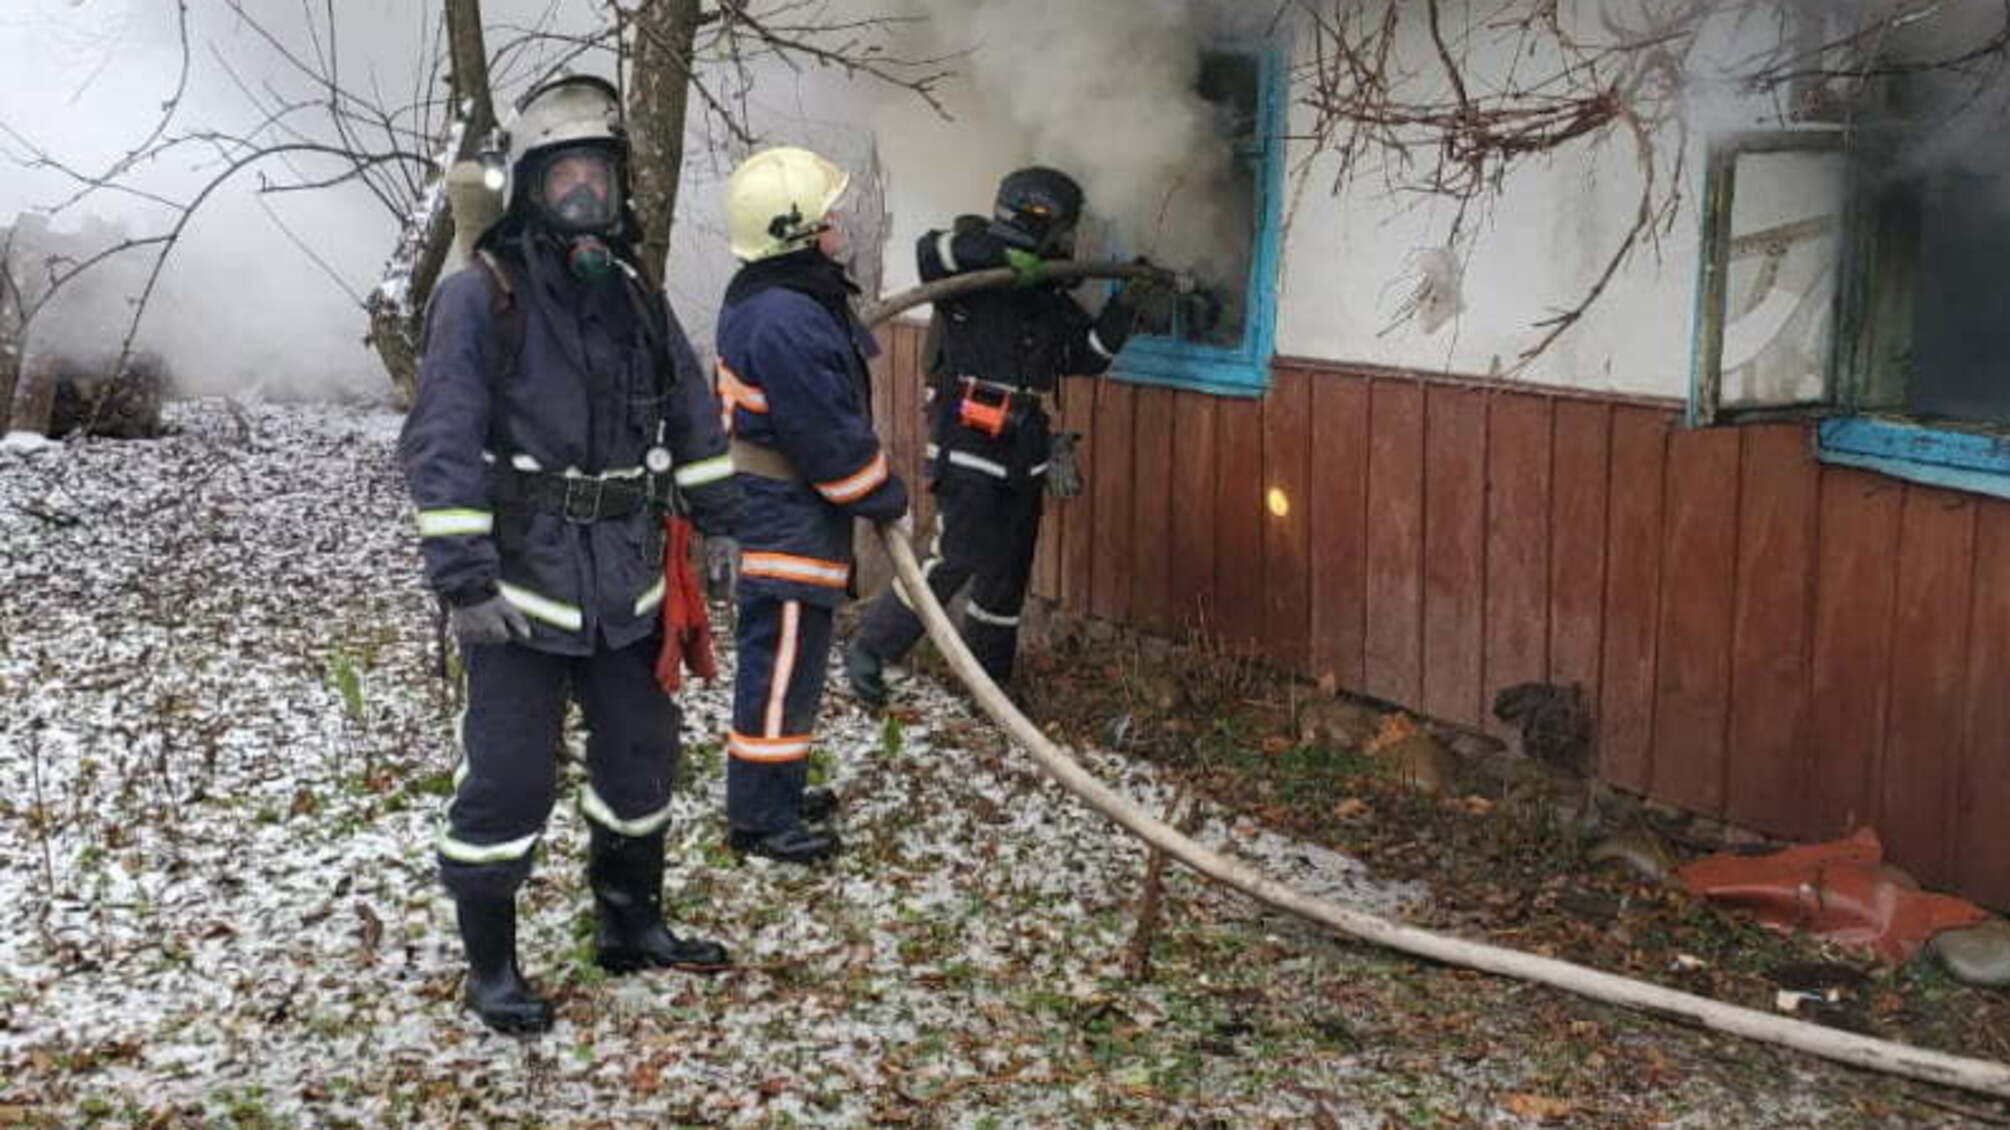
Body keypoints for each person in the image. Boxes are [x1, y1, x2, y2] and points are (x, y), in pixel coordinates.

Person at [400, 75, 740, 1035]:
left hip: (627, 584)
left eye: (600, 177)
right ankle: (491, 968)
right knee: (508, 780)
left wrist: (719, 521)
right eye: (566, 180)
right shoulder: (482, 297)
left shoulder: (634, 292)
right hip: (518, 593)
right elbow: (441, 440)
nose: (586, 197)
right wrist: (463, 582)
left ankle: (630, 925)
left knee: (640, 766)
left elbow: (692, 410)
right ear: (529, 188)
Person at [846, 166, 1149, 703]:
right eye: (1063, 231)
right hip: (968, 439)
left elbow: (1087, 358)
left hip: (1025, 447)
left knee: (1008, 571)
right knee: (956, 554)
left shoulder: (1048, 299)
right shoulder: (971, 275)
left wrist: (1124, 307)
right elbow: (934, 250)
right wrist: (1003, 259)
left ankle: (990, 683)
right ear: (1041, 224)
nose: (1068, 243)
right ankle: (872, 648)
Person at [712, 146, 909, 865]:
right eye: (826, 218)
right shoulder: (786, 319)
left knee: (790, 668)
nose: (837, 227)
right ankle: (760, 821)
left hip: (785, 512)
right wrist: (884, 493)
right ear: (795, 231)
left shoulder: (781, 298)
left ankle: (776, 789)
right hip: (785, 518)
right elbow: (827, 438)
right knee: (779, 670)